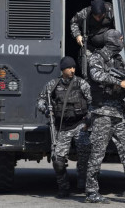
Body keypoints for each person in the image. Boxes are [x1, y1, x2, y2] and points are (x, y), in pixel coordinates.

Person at [85, 29, 125, 204]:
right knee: (97, 153)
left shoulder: (120, 61)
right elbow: (96, 75)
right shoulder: (96, 58)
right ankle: (91, 192)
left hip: (120, 113)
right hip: (102, 112)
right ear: (112, 41)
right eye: (120, 39)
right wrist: (119, 82)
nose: (122, 41)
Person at [37, 56, 92, 198]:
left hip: (80, 125)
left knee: (86, 156)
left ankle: (84, 182)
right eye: (69, 68)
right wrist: (45, 107)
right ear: (63, 70)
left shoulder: (82, 84)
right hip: (62, 127)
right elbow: (41, 100)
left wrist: (88, 121)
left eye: (74, 67)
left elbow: (92, 103)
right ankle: (64, 187)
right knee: (58, 161)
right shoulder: (53, 85)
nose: (72, 70)